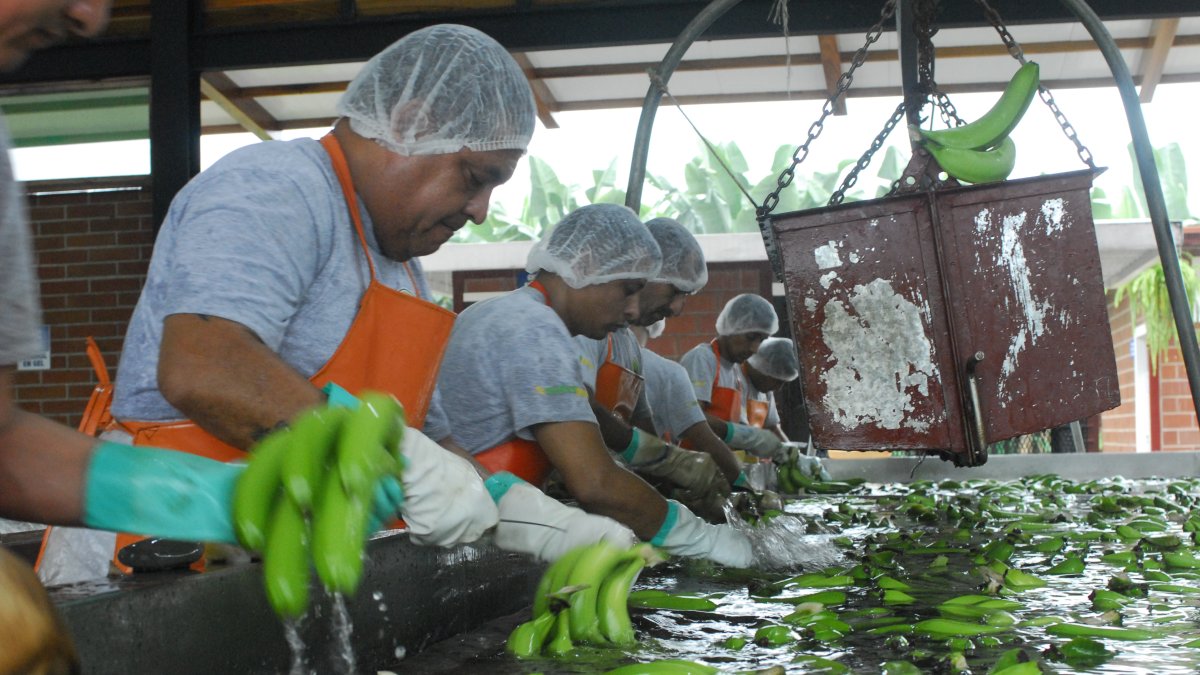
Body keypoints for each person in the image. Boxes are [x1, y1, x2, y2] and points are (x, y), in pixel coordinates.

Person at [37, 24, 626, 584]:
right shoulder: (278, 187)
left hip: (275, 561)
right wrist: (395, 461)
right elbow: (204, 365)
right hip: (158, 558)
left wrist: (519, 511)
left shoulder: (404, 269)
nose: (479, 210)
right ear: (410, 123)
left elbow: (432, 441)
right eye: (474, 176)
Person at [438, 204, 754, 568]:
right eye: (628, 290)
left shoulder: (508, 313)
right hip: (455, 544)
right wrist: (702, 537)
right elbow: (595, 482)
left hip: (470, 526)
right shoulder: (535, 328)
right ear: (586, 265)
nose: (634, 312)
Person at [574, 218, 741, 522]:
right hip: (573, 499)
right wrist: (669, 460)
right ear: (644, 270)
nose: (677, 309)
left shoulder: (629, 347)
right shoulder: (587, 329)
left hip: (611, 499)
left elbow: (643, 425)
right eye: (676, 291)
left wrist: (672, 480)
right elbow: (579, 407)